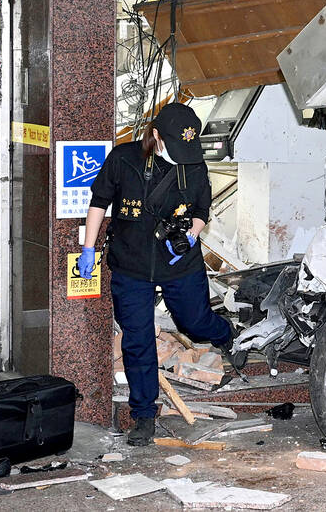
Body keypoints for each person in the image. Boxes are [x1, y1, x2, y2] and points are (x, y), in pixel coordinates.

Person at [78, 103, 247, 446]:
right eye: (175, 146)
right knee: (137, 338)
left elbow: (201, 209)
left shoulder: (193, 164)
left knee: (194, 322)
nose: (183, 155)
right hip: (131, 264)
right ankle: (143, 415)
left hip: (179, 262)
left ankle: (226, 333)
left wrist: (191, 234)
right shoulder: (124, 159)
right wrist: (88, 248)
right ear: (156, 135)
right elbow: (99, 202)